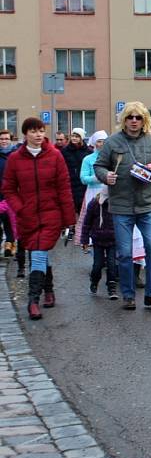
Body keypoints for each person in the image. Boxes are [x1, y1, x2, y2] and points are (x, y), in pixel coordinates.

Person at [94, 102, 151, 311]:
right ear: (124, 120)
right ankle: (128, 294)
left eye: (138, 117)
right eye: (130, 117)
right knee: (125, 253)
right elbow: (99, 165)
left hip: (146, 204)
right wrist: (105, 175)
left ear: (144, 120)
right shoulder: (112, 142)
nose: (134, 121)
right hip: (121, 206)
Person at [2, 117, 75, 319]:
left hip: (51, 214)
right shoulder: (15, 159)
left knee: (39, 253)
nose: (38, 135)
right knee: (39, 254)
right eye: (34, 131)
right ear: (26, 134)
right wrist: (19, 208)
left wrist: (69, 219)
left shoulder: (55, 156)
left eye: (41, 130)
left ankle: (33, 300)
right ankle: (49, 290)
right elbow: (8, 188)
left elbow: (64, 188)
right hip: (28, 215)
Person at [79, 188, 118, 299]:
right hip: (98, 240)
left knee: (111, 264)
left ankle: (112, 288)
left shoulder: (116, 205)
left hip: (112, 240)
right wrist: (84, 240)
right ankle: (94, 281)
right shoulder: (94, 204)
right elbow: (86, 223)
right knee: (98, 265)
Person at [73, 130, 108, 248]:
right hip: (93, 192)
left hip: (108, 191)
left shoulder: (111, 157)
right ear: (94, 143)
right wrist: (96, 178)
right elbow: (83, 178)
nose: (102, 144)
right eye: (99, 141)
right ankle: (93, 242)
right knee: (94, 218)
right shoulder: (88, 159)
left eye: (104, 141)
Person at [61, 128, 91, 238]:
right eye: (73, 136)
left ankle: (82, 229)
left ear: (81, 138)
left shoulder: (88, 151)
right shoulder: (65, 151)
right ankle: (71, 228)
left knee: (82, 206)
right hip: (70, 183)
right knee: (71, 206)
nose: (74, 138)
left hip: (83, 183)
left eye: (77, 136)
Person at [0, 129, 19, 258]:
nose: (4, 141)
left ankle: (10, 243)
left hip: (12, 193)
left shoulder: (15, 155)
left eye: (6, 139)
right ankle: (8, 243)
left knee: (9, 219)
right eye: (2, 139)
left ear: (11, 140)